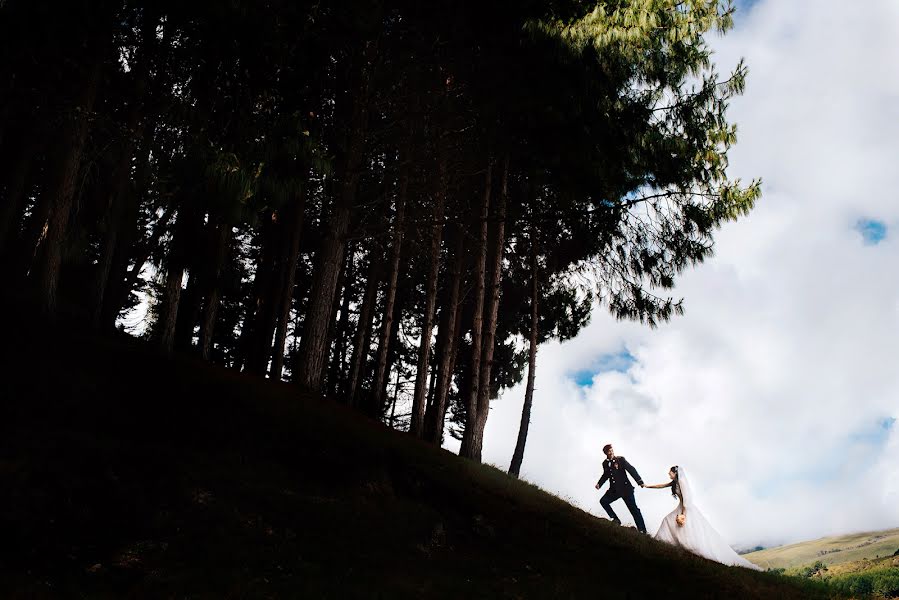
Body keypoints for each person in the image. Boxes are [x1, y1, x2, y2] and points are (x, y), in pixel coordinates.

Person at [644, 466, 762, 570]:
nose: (668, 474)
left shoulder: (682, 483)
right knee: (667, 521)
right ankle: (662, 541)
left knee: (685, 528)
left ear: (675, 473)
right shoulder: (675, 482)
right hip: (681, 507)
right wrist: (647, 486)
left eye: (670, 472)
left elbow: (687, 500)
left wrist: (683, 515)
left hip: (686, 509)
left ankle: (689, 547)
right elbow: (661, 486)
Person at [594, 443, 647, 533]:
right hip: (614, 490)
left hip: (626, 489)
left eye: (612, 450)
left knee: (634, 509)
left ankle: (642, 530)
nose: (611, 452)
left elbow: (631, 469)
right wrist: (599, 483)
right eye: (609, 451)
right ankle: (615, 519)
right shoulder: (605, 463)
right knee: (603, 501)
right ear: (606, 453)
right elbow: (606, 475)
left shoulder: (620, 460)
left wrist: (639, 481)